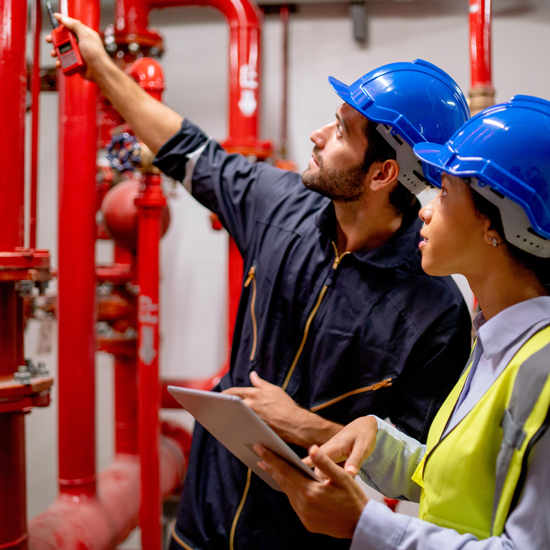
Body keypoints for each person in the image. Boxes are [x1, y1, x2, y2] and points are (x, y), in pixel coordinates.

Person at [48, 15, 473, 550]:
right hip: (201, 526)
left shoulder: (436, 312)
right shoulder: (279, 205)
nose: (319, 135)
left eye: (341, 131)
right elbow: (188, 149)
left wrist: (304, 427)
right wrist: (101, 67)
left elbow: (423, 467)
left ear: (382, 174)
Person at [257, 95, 550, 549]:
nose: (426, 210)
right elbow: (461, 484)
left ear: (500, 226)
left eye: (446, 192)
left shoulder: (542, 373)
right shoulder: (495, 342)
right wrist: (380, 441)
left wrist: (366, 525)